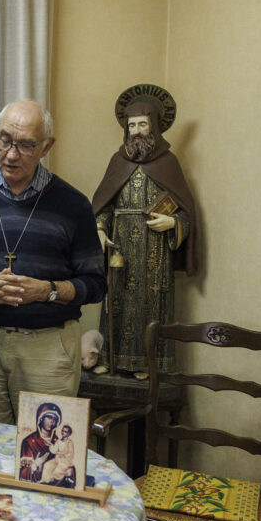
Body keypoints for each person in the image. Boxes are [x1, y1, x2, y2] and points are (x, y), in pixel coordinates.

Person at [0, 100, 106, 424]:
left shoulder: (74, 205)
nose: (11, 154)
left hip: (49, 347)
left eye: (25, 145)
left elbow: (95, 285)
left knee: (45, 456)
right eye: (4, 140)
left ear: (47, 146)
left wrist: (45, 291)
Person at [91, 85, 198, 377]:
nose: (137, 130)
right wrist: (100, 229)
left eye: (142, 124)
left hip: (155, 250)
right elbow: (104, 204)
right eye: (132, 125)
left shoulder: (168, 162)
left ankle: (147, 363)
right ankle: (109, 359)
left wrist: (174, 223)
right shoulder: (118, 161)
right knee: (115, 301)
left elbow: (186, 211)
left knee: (150, 306)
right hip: (120, 246)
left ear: (154, 126)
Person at [18, 402, 61, 482]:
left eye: (54, 419)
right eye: (49, 417)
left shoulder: (57, 441)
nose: (52, 421)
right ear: (41, 419)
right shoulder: (29, 441)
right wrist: (35, 465)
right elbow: (23, 473)